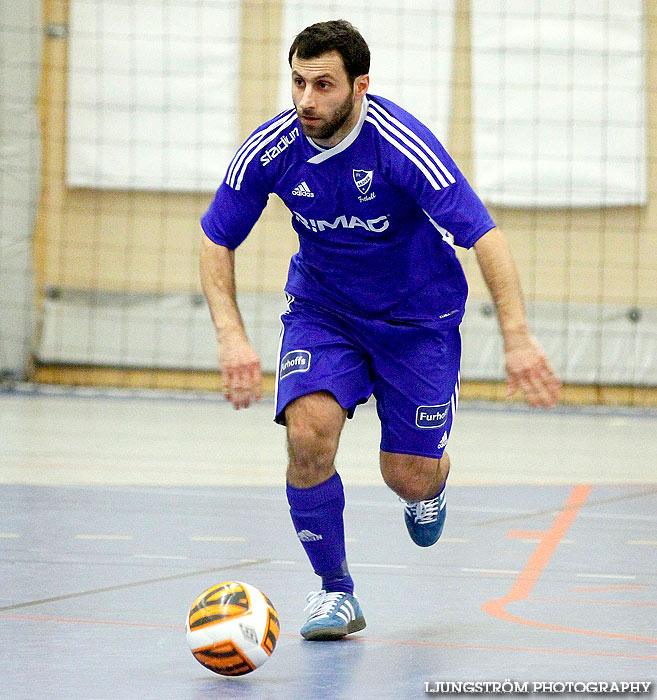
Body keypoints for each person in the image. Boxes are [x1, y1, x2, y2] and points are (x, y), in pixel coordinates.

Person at [199, 19, 561, 642]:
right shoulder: (273, 149)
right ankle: (334, 591)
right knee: (309, 435)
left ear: (360, 85)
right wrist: (232, 335)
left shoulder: (400, 145)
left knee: (406, 475)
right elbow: (215, 237)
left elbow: (485, 236)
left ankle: (431, 482)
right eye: (298, 83)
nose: (307, 100)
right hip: (324, 313)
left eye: (324, 85)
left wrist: (518, 337)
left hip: (417, 321)